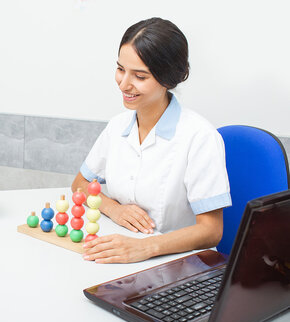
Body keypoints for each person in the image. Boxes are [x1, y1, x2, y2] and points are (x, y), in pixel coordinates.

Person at [72, 18, 231, 264]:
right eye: (120, 69)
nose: (124, 84)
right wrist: (115, 209)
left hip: (178, 265)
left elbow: (211, 230)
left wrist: (146, 247)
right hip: (121, 252)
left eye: (140, 76)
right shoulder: (117, 127)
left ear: (168, 79)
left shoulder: (200, 136)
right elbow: (80, 184)